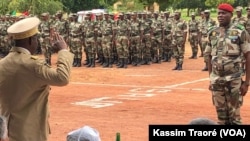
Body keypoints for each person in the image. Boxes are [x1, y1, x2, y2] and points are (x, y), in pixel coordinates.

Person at [0, 17, 74, 140]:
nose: (37, 42)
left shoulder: (3, 63)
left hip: (6, 130)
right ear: (30, 40)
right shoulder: (34, 65)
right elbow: (62, 78)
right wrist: (63, 51)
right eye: (36, 39)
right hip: (30, 132)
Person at [204, 3, 250, 125]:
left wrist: (246, 82)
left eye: (224, 13)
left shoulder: (240, 31)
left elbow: (248, 55)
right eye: (219, 13)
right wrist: (211, 78)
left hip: (234, 80)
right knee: (221, 118)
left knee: (235, 118)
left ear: (231, 15)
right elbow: (208, 55)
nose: (220, 16)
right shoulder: (212, 32)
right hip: (217, 80)